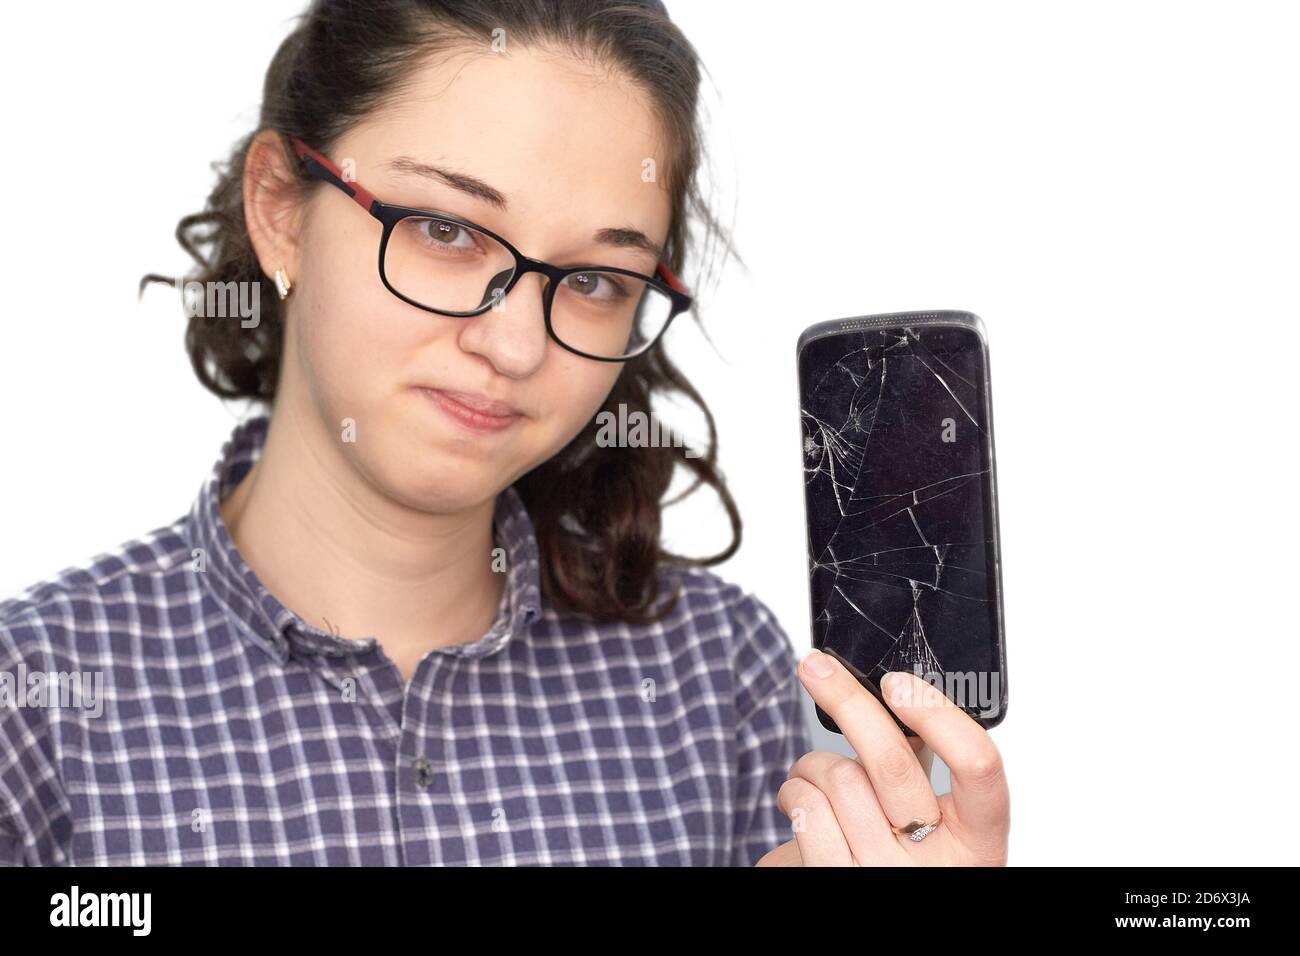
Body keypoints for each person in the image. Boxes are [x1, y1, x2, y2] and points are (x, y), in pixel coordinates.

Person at [0, 0, 1007, 866]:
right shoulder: (36, 704)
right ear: (280, 211)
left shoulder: (720, 675)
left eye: (597, 279)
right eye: (446, 230)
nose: (516, 342)